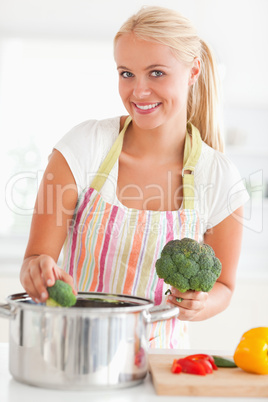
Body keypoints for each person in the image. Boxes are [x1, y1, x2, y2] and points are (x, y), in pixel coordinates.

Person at [20, 6, 249, 348]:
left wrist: (200, 303)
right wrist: (38, 272)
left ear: (193, 71)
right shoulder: (84, 147)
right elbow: (35, 260)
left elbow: (224, 288)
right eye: (126, 73)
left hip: (159, 365)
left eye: (156, 73)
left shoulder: (219, 178)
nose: (138, 92)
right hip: (73, 354)